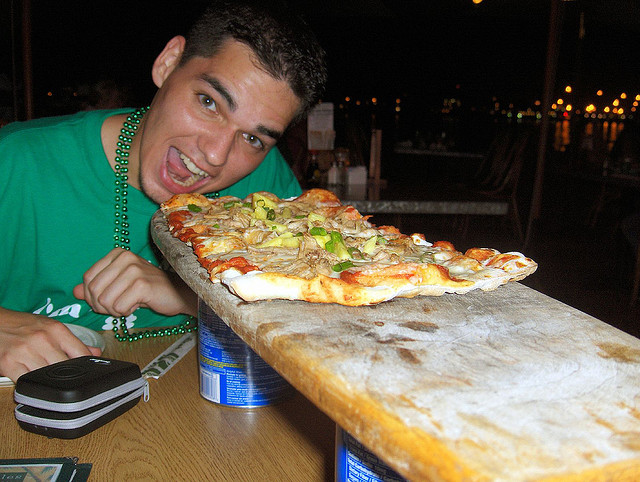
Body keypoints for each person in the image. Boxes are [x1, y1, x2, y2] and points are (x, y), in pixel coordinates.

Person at [0, 0, 327, 381]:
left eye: (253, 138)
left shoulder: (265, 187)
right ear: (168, 63)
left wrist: (189, 293)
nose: (215, 154)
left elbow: (318, 317)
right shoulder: (16, 161)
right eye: (209, 102)